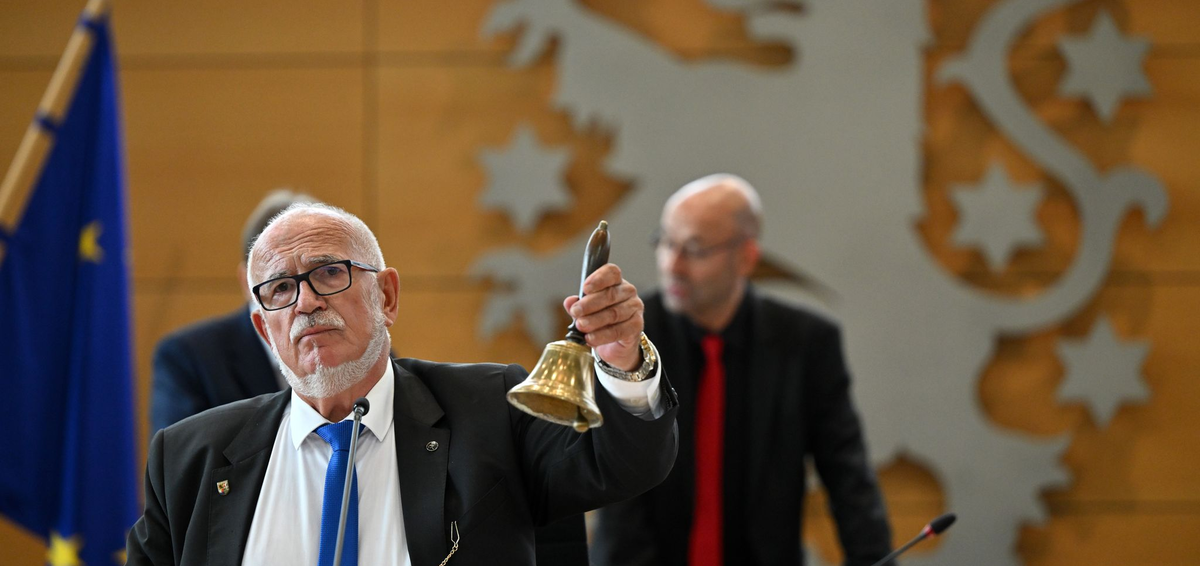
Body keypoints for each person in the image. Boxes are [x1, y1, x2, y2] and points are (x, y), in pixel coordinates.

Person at [126, 202, 677, 566]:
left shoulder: (492, 411)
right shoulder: (190, 457)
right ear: (264, 331)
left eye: (328, 273)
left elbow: (622, 464)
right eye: (279, 290)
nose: (307, 302)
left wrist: (621, 361)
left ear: (386, 297)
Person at [591, 174, 893, 566]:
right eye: (666, 242)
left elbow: (849, 478)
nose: (672, 264)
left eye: (694, 249)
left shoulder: (806, 342)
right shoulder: (628, 339)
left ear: (747, 256)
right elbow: (613, 472)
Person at [148, 189, 311, 435]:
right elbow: (180, 467)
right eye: (283, 285)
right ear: (247, 283)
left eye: (326, 274)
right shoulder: (189, 358)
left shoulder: (362, 348)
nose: (307, 299)